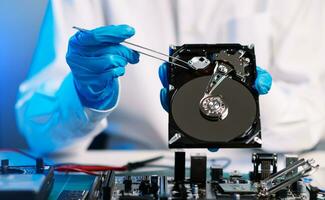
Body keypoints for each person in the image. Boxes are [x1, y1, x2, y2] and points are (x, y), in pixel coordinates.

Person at [15, 0, 325, 155]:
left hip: (254, 170)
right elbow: (39, 133)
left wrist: (250, 110)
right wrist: (85, 95)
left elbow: (311, 120)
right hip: (134, 166)